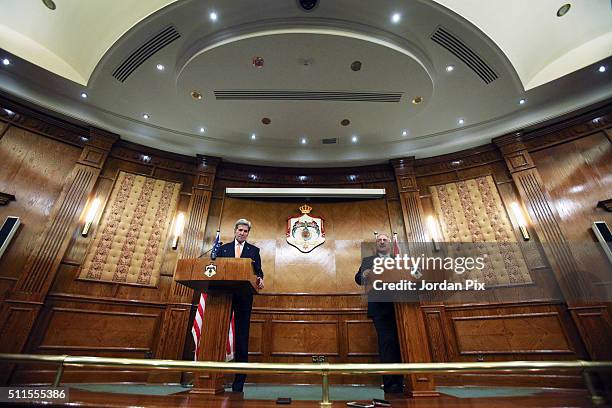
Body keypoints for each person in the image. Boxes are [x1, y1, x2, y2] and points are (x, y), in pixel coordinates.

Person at [217, 218, 265, 392]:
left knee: (241, 338)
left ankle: (239, 382)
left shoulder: (254, 251)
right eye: (240, 230)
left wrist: (260, 278)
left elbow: (258, 272)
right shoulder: (222, 249)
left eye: (245, 231)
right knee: (219, 335)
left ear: (248, 233)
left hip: (244, 298)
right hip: (222, 297)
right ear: (235, 231)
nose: (242, 233)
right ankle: (214, 378)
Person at [354, 233, 404, 394]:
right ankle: (391, 384)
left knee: (403, 343)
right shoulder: (368, 261)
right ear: (376, 244)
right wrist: (364, 275)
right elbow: (358, 278)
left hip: (403, 309)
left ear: (389, 243)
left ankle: (405, 381)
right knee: (387, 343)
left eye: (385, 239)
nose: (382, 242)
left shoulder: (399, 259)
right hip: (380, 309)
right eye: (379, 240)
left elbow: (415, 275)